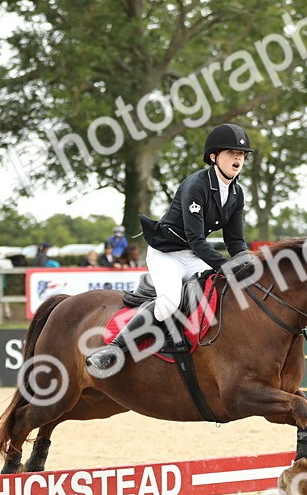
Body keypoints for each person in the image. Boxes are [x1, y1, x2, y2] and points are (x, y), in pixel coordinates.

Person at [85, 122, 256, 376]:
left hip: (193, 256)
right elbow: (196, 239)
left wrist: (248, 262)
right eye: (232, 153)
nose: (238, 159)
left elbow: (235, 242)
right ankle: (113, 349)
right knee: (169, 302)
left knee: (224, 294)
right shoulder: (196, 185)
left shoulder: (236, 193)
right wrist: (225, 265)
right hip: (167, 254)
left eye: (241, 155)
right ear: (213, 157)